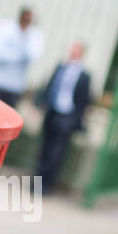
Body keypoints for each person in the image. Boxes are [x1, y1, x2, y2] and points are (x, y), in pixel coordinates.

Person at [34, 41, 92, 194]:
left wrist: (75, 120)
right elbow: (50, 86)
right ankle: (37, 183)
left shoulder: (84, 76)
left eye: (76, 50)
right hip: (52, 113)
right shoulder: (61, 67)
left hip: (67, 117)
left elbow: (83, 101)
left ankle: (47, 184)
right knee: (45, 149)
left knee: (56, 152)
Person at [0, 7, 44, 107]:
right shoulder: (4, 27)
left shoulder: (34, 34)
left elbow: (35, 56)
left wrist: (24, 37)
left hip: (15, 86)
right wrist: (19, 57)